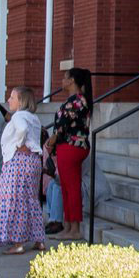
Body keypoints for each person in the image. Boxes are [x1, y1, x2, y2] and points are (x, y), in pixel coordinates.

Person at [0, 86, 48, 255]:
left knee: (14, 200)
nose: (8, 100)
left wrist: (17, 144)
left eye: (12, 97)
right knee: (31, 200)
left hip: (18, 162)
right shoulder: (33, 117)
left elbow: (21, 130)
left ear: (21, 101)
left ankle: (18, 242)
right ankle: (39, 240)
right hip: (33, 162)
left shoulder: (19, 117)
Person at [46, 67, 94, 242]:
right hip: (67, 146)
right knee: (65, 187)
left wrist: (53, 138)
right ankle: (67, 226)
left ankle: (75, 229)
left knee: (71, 188)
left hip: (73, 146)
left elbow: (64, 124)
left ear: (72, 80)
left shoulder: (78, 101)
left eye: (65, 77)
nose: (62, 80)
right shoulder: (74, 100)